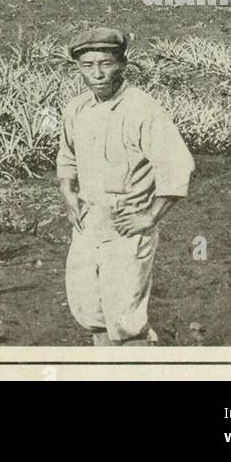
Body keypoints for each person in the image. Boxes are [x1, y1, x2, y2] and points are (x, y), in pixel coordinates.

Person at [56, 27, 194, 346]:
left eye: (106, 63)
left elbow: (177, 166)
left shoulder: (143, 109)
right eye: (88, 65)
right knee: (88, 307)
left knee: (125, 316)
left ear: (123, 64)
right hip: (88, 222)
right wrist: (67, 191)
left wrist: (150, 217)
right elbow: (67, 155)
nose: (98, 73)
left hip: (127, 225)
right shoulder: (77, 109)